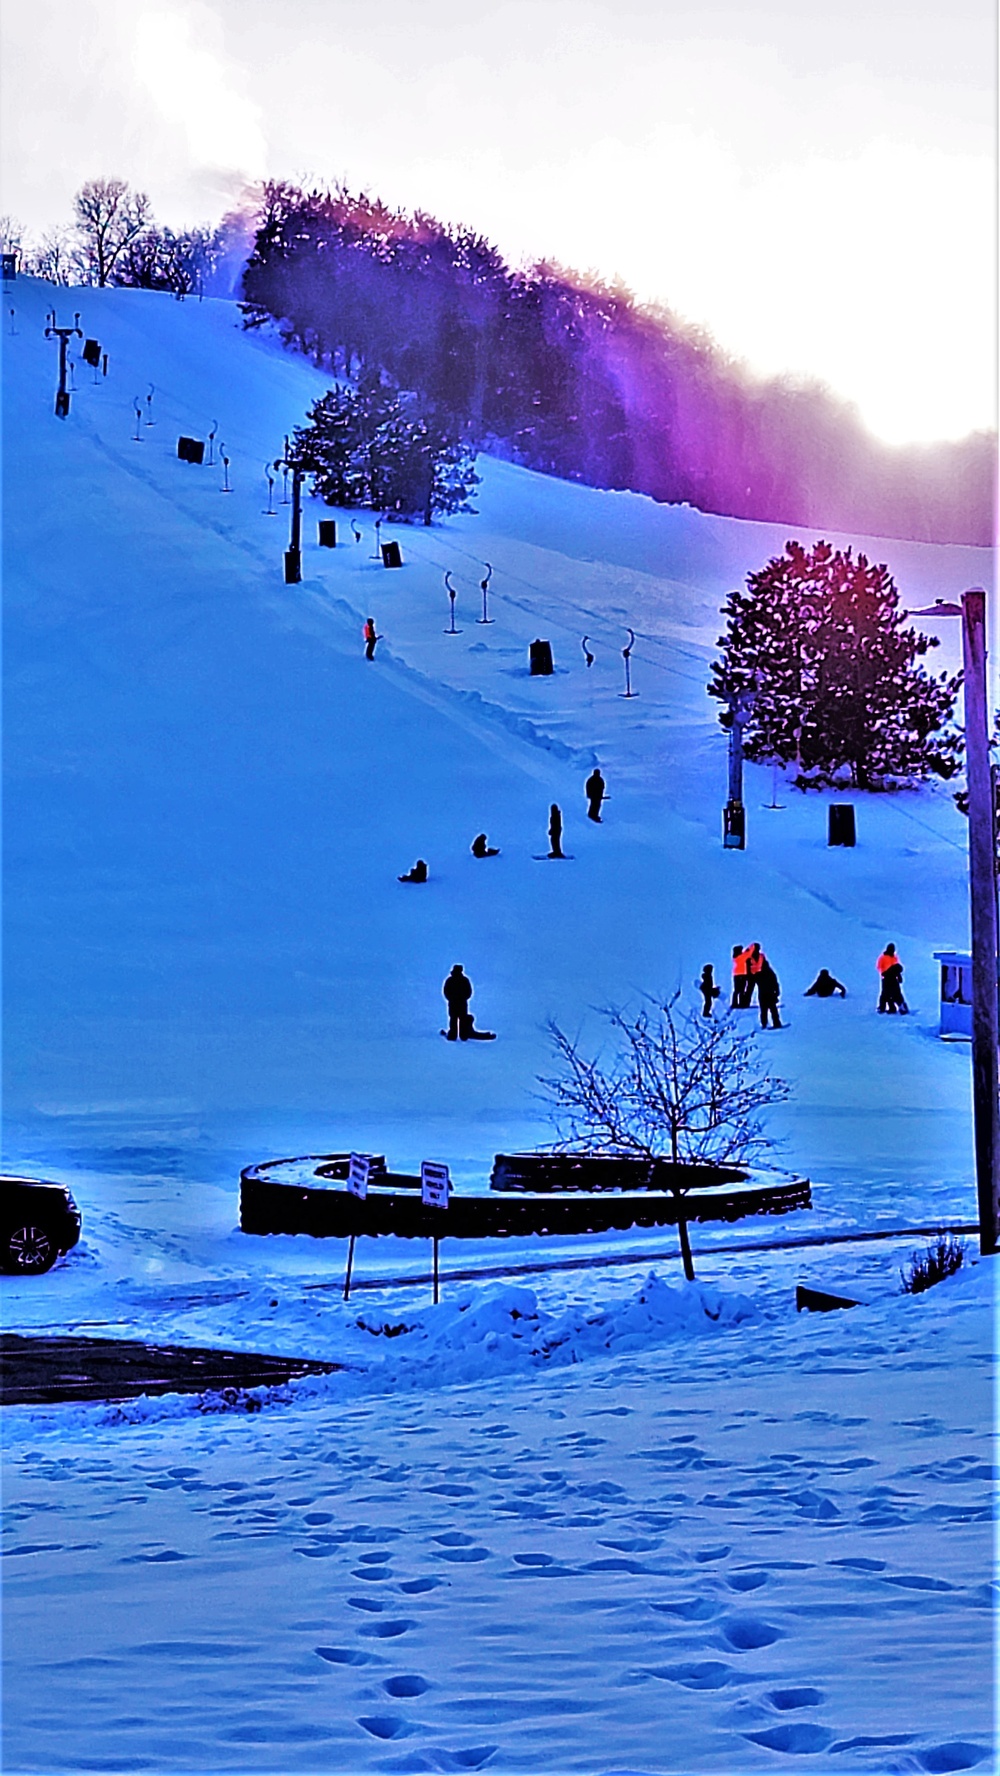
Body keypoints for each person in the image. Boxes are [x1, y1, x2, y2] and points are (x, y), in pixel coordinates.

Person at [877, 943, 908, 1013]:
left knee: (896, 993)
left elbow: (897, 967)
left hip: (893, 978)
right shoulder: (883, 958)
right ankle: (885, 1007)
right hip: (886, 977)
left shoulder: (894, 957)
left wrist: (899, 976)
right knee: (885, 994)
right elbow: (879, 967)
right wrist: (885, 973)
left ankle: (900, 1007)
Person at [757, 958, 782, 1029]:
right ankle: (777, 1023)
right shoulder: (771, 973)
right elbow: (775, 983)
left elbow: (757, 982)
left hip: (762, 994)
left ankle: (764, 1024)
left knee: (763, 1010)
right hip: (770, 994)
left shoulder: (759, 973)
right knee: (773, 1009)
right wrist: (777, 992)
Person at [731, 943, 749, 1008]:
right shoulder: (741, 957)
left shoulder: (736, 957)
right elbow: (748, 954)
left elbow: (745, 954)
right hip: (742, 974)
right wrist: (752, 946)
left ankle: (734, 1003)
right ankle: (741, 1003)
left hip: (736, 975)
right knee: (742, 990)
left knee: (736, 990)